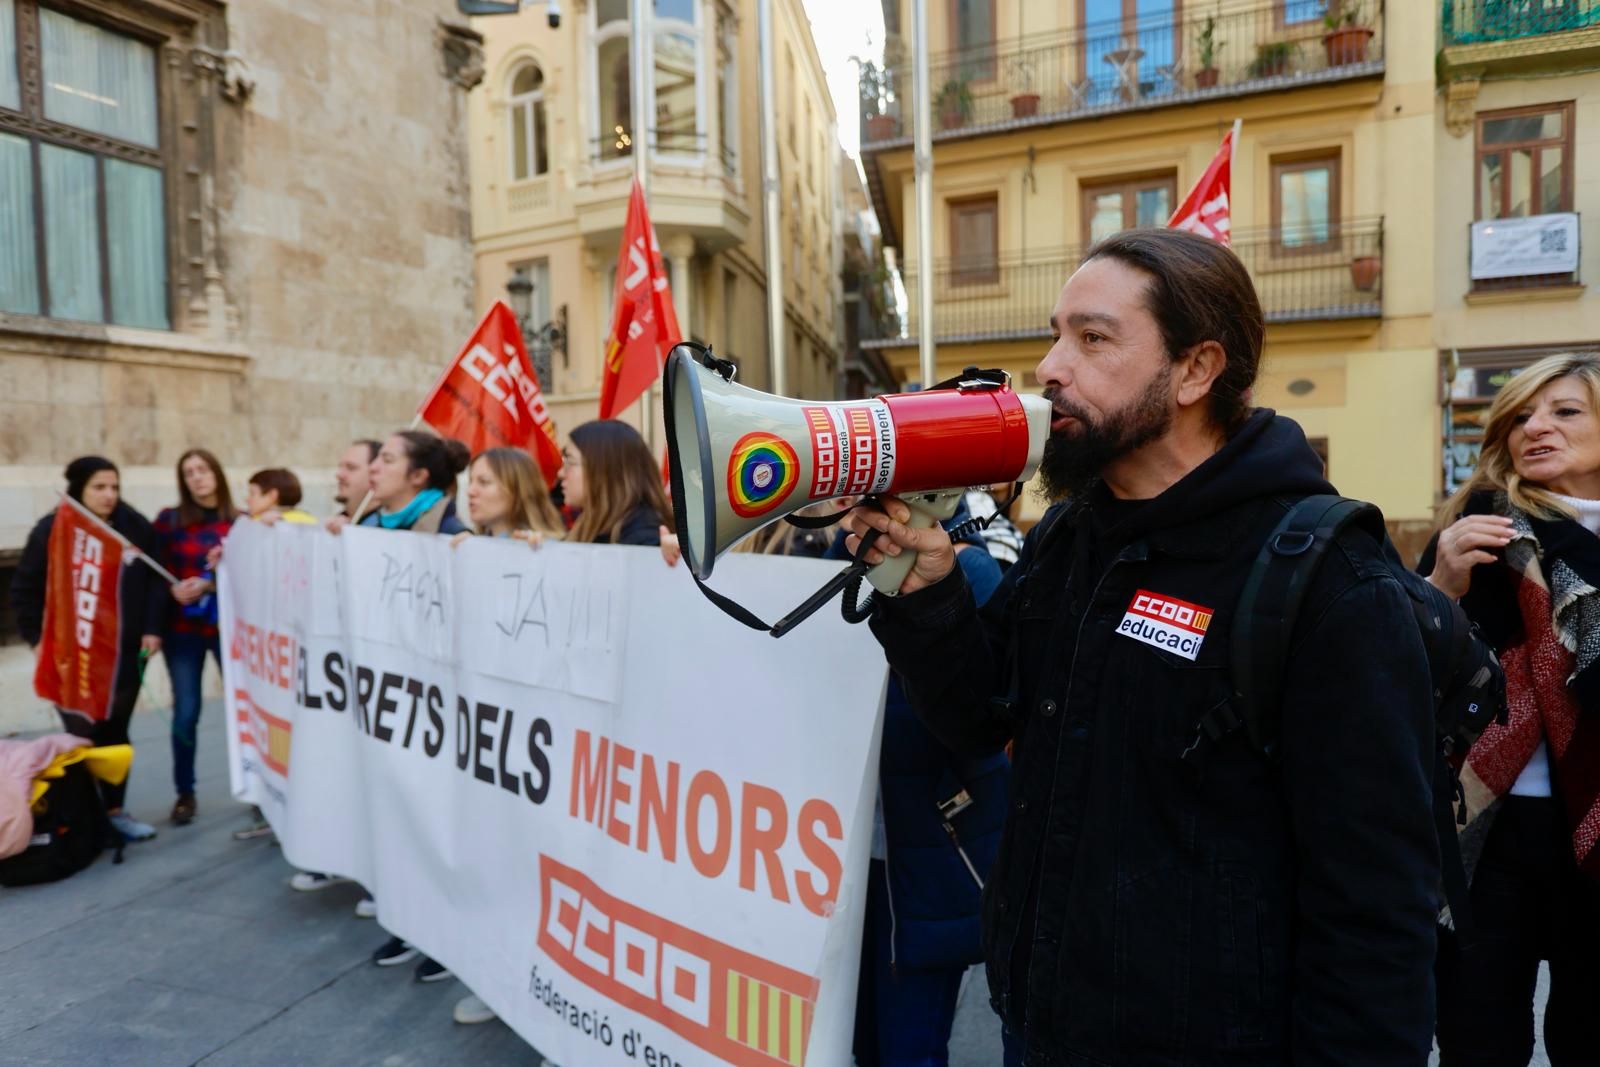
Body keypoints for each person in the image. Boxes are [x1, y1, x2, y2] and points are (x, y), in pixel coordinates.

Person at [842, 229, 1440, 1066]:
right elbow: (982, 718)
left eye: (1092, 339)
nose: (1051, 367)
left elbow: (1377, 920)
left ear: (1196, 370)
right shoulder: (1071, 535)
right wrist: (931, 593)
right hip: (1041, 1030)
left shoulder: (1329, 582)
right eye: (1056, 334)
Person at [1422, 352, 1600, 1067]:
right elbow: (1399, 669)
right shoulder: (1482, 529)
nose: (1537, 427)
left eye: (1565, 411)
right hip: (1488, 829)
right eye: (1520, 415)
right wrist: (1439, 587)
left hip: (1593, 827)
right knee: (1478, 1035)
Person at [850, 507, 1010, 1067]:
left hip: (929, 857)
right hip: (849, 861)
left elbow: (980, 724)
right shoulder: (841, 565)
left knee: (909, 1047)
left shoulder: (974, 572)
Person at [11, 457, 166, 842]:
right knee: (82, 739)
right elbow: (23, 590)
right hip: (72, 659)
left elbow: (155, 581)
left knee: (116, 735)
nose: (109, 495)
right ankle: (86, 820)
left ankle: (115, 811)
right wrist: (38, 641)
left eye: (114, 487)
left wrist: (151, 628)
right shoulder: (52, 529)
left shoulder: (132, 527)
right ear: (79, 488)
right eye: (99, 487)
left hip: (123, 656)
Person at [154, 448, 238, 827]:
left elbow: (251, 572)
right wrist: (173, 591)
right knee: (186, 712)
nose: (197, 478)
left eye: (203, 469)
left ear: (217, 473)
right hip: (182, 632)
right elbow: (155, 574)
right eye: (188, 472)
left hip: (227, 629)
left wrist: (210, 584)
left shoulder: (240, 522)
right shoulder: (169, 521)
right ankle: (184, 792)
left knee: (243, 709)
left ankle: (256, 787)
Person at [330, 430, 468, 537]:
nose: (373, 467)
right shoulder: (372, 525)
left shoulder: (450, 532)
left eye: (388, 460)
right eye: (377, 458)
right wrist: (348, 534)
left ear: (418, 476)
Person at [561, 420, 669, 547]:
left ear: (604, 469)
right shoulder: (592, 525)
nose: (561, 473)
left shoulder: (644, 539)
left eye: (570, 462)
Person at [244, 468, 318, 525]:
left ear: (272, 495)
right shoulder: (310, 520)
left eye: (252, 493)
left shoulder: (262, 523)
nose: (247, 499)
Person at [334, 439, 381, 521]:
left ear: (375, 473)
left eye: (351, 467)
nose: (339, 475)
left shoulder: (389, 528)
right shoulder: (337, 523)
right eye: (340, 467)